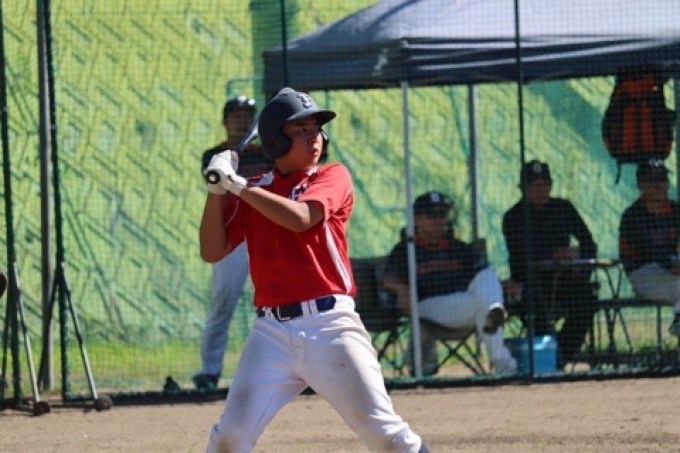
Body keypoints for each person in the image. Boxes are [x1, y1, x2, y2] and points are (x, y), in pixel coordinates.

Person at [200, 87, 430, 453]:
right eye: (301, 130)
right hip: (270, 333)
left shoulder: (332, 176)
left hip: (330, 325)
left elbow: (301, 218)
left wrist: (237, 186)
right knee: (229, 439)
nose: (315, 138)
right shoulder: (255, 191)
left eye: (316, 129)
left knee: (387, 437)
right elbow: (212, 251)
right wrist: (216, 192)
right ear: (275, 141)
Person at [383, 191, 517, 376]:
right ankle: (503, 360)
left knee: (487, 275)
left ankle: (496, 326)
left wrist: (503, 285)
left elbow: (482, 280)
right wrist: (400, 289)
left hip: (463, 304)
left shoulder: (458, 248)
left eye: (442, 214)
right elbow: (387, 278)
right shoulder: (406, 249)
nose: (438, 220)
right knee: (485, 308)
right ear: (417, 219)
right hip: (428, 307)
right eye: (432, 215)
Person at [193, 95, 272, 391]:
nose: (241, 121)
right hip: (232, 234)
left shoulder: (269, 154)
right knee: (223, 299)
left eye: (247, 116)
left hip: (265, 233)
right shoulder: (214, 155)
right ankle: (209, 370)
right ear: (225, 122)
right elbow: (218, 183)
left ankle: (279, 370)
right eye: (236, 116)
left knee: (274, 300)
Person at [502, 159, 599, 367]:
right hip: (530, 282)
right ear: (522, 188)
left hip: (564, 279)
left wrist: (575, 259)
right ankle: (545, 358)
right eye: (534, 186)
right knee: (535, 305)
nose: (541, 190)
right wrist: (552, 255)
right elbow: (519, 256)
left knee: (586, 299)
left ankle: (560, 355)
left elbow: (589, 244)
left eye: (545, 185)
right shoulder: (513, 217)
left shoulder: (563, 208)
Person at [619, 159, 680, 336]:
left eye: (662, 179)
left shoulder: (675, 210)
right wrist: (671, 265)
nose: (659, 185)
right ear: (641, 185)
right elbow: (647, 250)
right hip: (642, 273)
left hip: (672, 269)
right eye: (652, 180)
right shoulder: (633, 215)